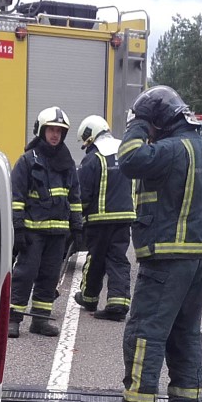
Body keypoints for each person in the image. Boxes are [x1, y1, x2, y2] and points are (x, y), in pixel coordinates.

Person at [107, 86, 202, 402]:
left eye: (150, 123)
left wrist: (137, 123)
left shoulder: (170, 149)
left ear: (159, 120)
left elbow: (128, 159)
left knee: (145, 327)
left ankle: (138, 399)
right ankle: (185, 395)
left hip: (167, 254)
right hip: (197, 256)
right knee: (185, 328)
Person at [10, 106, 83, 338]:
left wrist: (78, 226)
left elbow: (75, 197)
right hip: (32, 232)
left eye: (59, 131)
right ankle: (13, 319)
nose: (55, 135)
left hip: (59, 233)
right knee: (25, 274)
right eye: (51, 130)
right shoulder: (27, 161)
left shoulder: (67, 162)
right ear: (41, 131)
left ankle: (40, 320)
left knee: (50, 276)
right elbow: (17, 196)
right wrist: (18, 227)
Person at [74, 115, 134, 321]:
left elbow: (83, 192)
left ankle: (89, 297)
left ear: (90, 134)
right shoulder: (124, 150)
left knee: (95, 258)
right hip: (125, 216)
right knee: (118, 258)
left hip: (99, 218)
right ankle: (118, 303)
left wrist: (77, 216)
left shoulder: (93, 157)